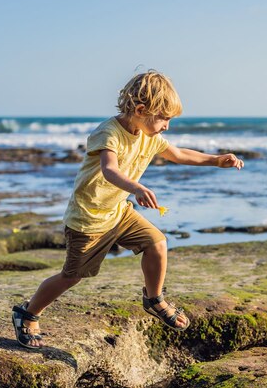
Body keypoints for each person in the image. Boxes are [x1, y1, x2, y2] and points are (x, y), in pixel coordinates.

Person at [12, 70, 244, 348]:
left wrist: (216, 160)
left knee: (157, 243)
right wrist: (136, 187)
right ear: (141, 110)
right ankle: (28, 312)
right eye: (164, 118)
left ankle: (154, 299)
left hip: (118, 212)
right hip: (89, 219)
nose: (167, 126)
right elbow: (109, 170)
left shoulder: (149, 136)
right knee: (71, 276)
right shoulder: (108, 133)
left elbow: (180, 154)